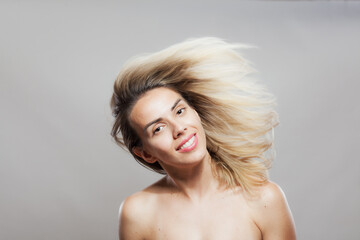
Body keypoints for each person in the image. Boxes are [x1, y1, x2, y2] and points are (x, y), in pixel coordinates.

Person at [110, 37, 296, 240]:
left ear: (196, 113)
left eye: (180, 111)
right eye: (158, 128)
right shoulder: (138, 213)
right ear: (145, 153)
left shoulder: (264, 199)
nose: (179, 128)